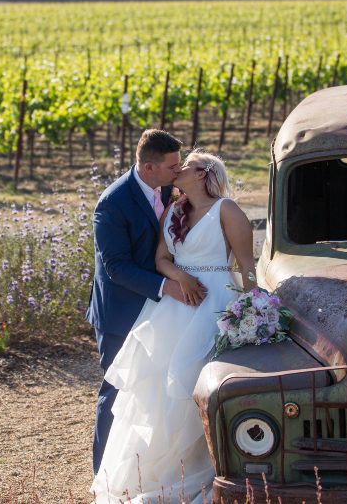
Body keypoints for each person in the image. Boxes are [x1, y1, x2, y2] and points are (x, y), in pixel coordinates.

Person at [91, 150, 257, 503]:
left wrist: (257, 306)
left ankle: (209, 466)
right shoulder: (174, 210)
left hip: (215, 305)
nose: (179, 169)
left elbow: (247, 266)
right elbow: (161, 259)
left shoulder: (228, 210)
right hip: (175, 305)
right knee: (157, 387)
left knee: (196, 383)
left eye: (187, 164)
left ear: (204, 174)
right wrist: (180, 277)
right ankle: (157, 474)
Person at [88, 129, 196, 474]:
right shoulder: (112, 203)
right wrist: (167, 286)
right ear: (148, 168)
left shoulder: (168, 188)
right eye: (172, 166)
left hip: (160, 311)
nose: (178, 172)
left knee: (156, 389)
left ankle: (147, 468)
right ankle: (103, 474)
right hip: (121, 313)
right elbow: (117, 268)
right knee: (117, 391)